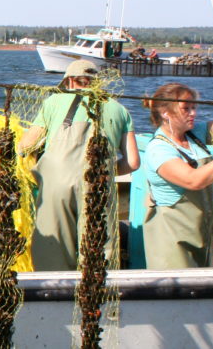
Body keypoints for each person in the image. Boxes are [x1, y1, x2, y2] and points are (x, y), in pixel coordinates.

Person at [19, 60, 139, 271]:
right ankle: (97, 297)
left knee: (52, 250)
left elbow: (25, 146)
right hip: (98, 184)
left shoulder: (54, 101)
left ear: (70, 81)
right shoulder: (120, 109)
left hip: (57, 185)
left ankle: (54, 296)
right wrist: (105, 171)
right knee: (99, 248)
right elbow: (133, 162)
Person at [141, 83, 213, 269]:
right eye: (186, 108)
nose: (193, 113)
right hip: (173, 246)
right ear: (165, 112)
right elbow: (193, 180)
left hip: (204, 239)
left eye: (194, 107)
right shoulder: (159, 149)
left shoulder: (194, 135)